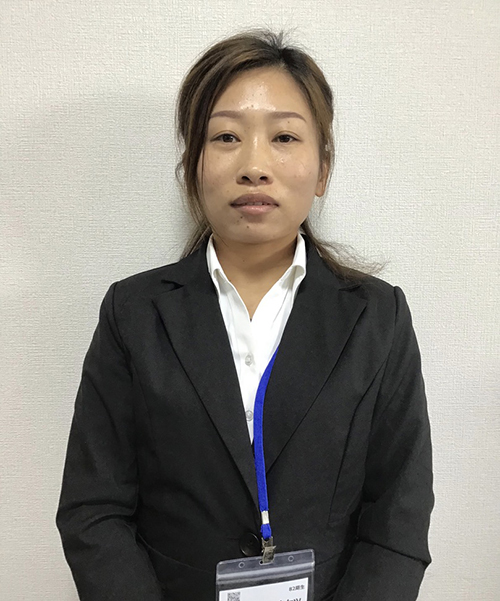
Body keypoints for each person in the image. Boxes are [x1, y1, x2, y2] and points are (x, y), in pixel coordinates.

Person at [56, 28, 434, 601]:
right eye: (227, 136)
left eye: (284, 136)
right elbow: (93, 511)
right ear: (193, 166)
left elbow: (398, 518)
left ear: (323, 169)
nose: (255, 165)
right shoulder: (132, 314)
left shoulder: (379, 319)